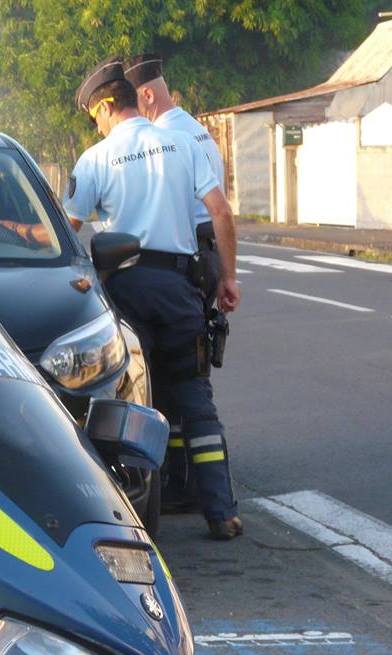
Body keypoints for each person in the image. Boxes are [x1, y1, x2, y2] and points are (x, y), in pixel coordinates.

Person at [64, 57, 243, 540]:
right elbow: (220, 213)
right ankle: (221, 513)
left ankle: (137, 521)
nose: (96, 125)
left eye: (94, 116)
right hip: (179, 288)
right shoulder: (183, 141)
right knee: (195, 398)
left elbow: (66, 232)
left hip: (123, 293)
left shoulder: (96, 160)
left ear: (105, 107)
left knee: (133, 402)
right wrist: (228, 278)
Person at [124, 52, 229, 515]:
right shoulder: (198, 130)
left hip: (182, 260)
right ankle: (193, 485)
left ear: (147, 94)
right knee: (188, 371)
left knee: (170, 379)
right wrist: (228, 273)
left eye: (136, 102)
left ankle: (176, 479)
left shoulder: (163, 138)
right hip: (206, 257)